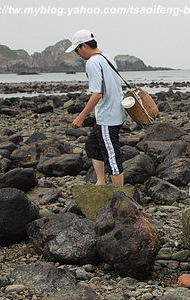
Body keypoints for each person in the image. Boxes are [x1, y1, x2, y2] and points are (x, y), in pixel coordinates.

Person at [66, 29, 127, 186]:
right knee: (92, 144)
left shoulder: (92, 62)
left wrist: (81, 117)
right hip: (116, 112)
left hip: (108, 116)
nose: (77, 54)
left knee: (111, 156)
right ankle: (100, 182)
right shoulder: (107, 57)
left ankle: (119, 194)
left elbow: (97, 94)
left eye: (77, 50)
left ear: (84, 46)